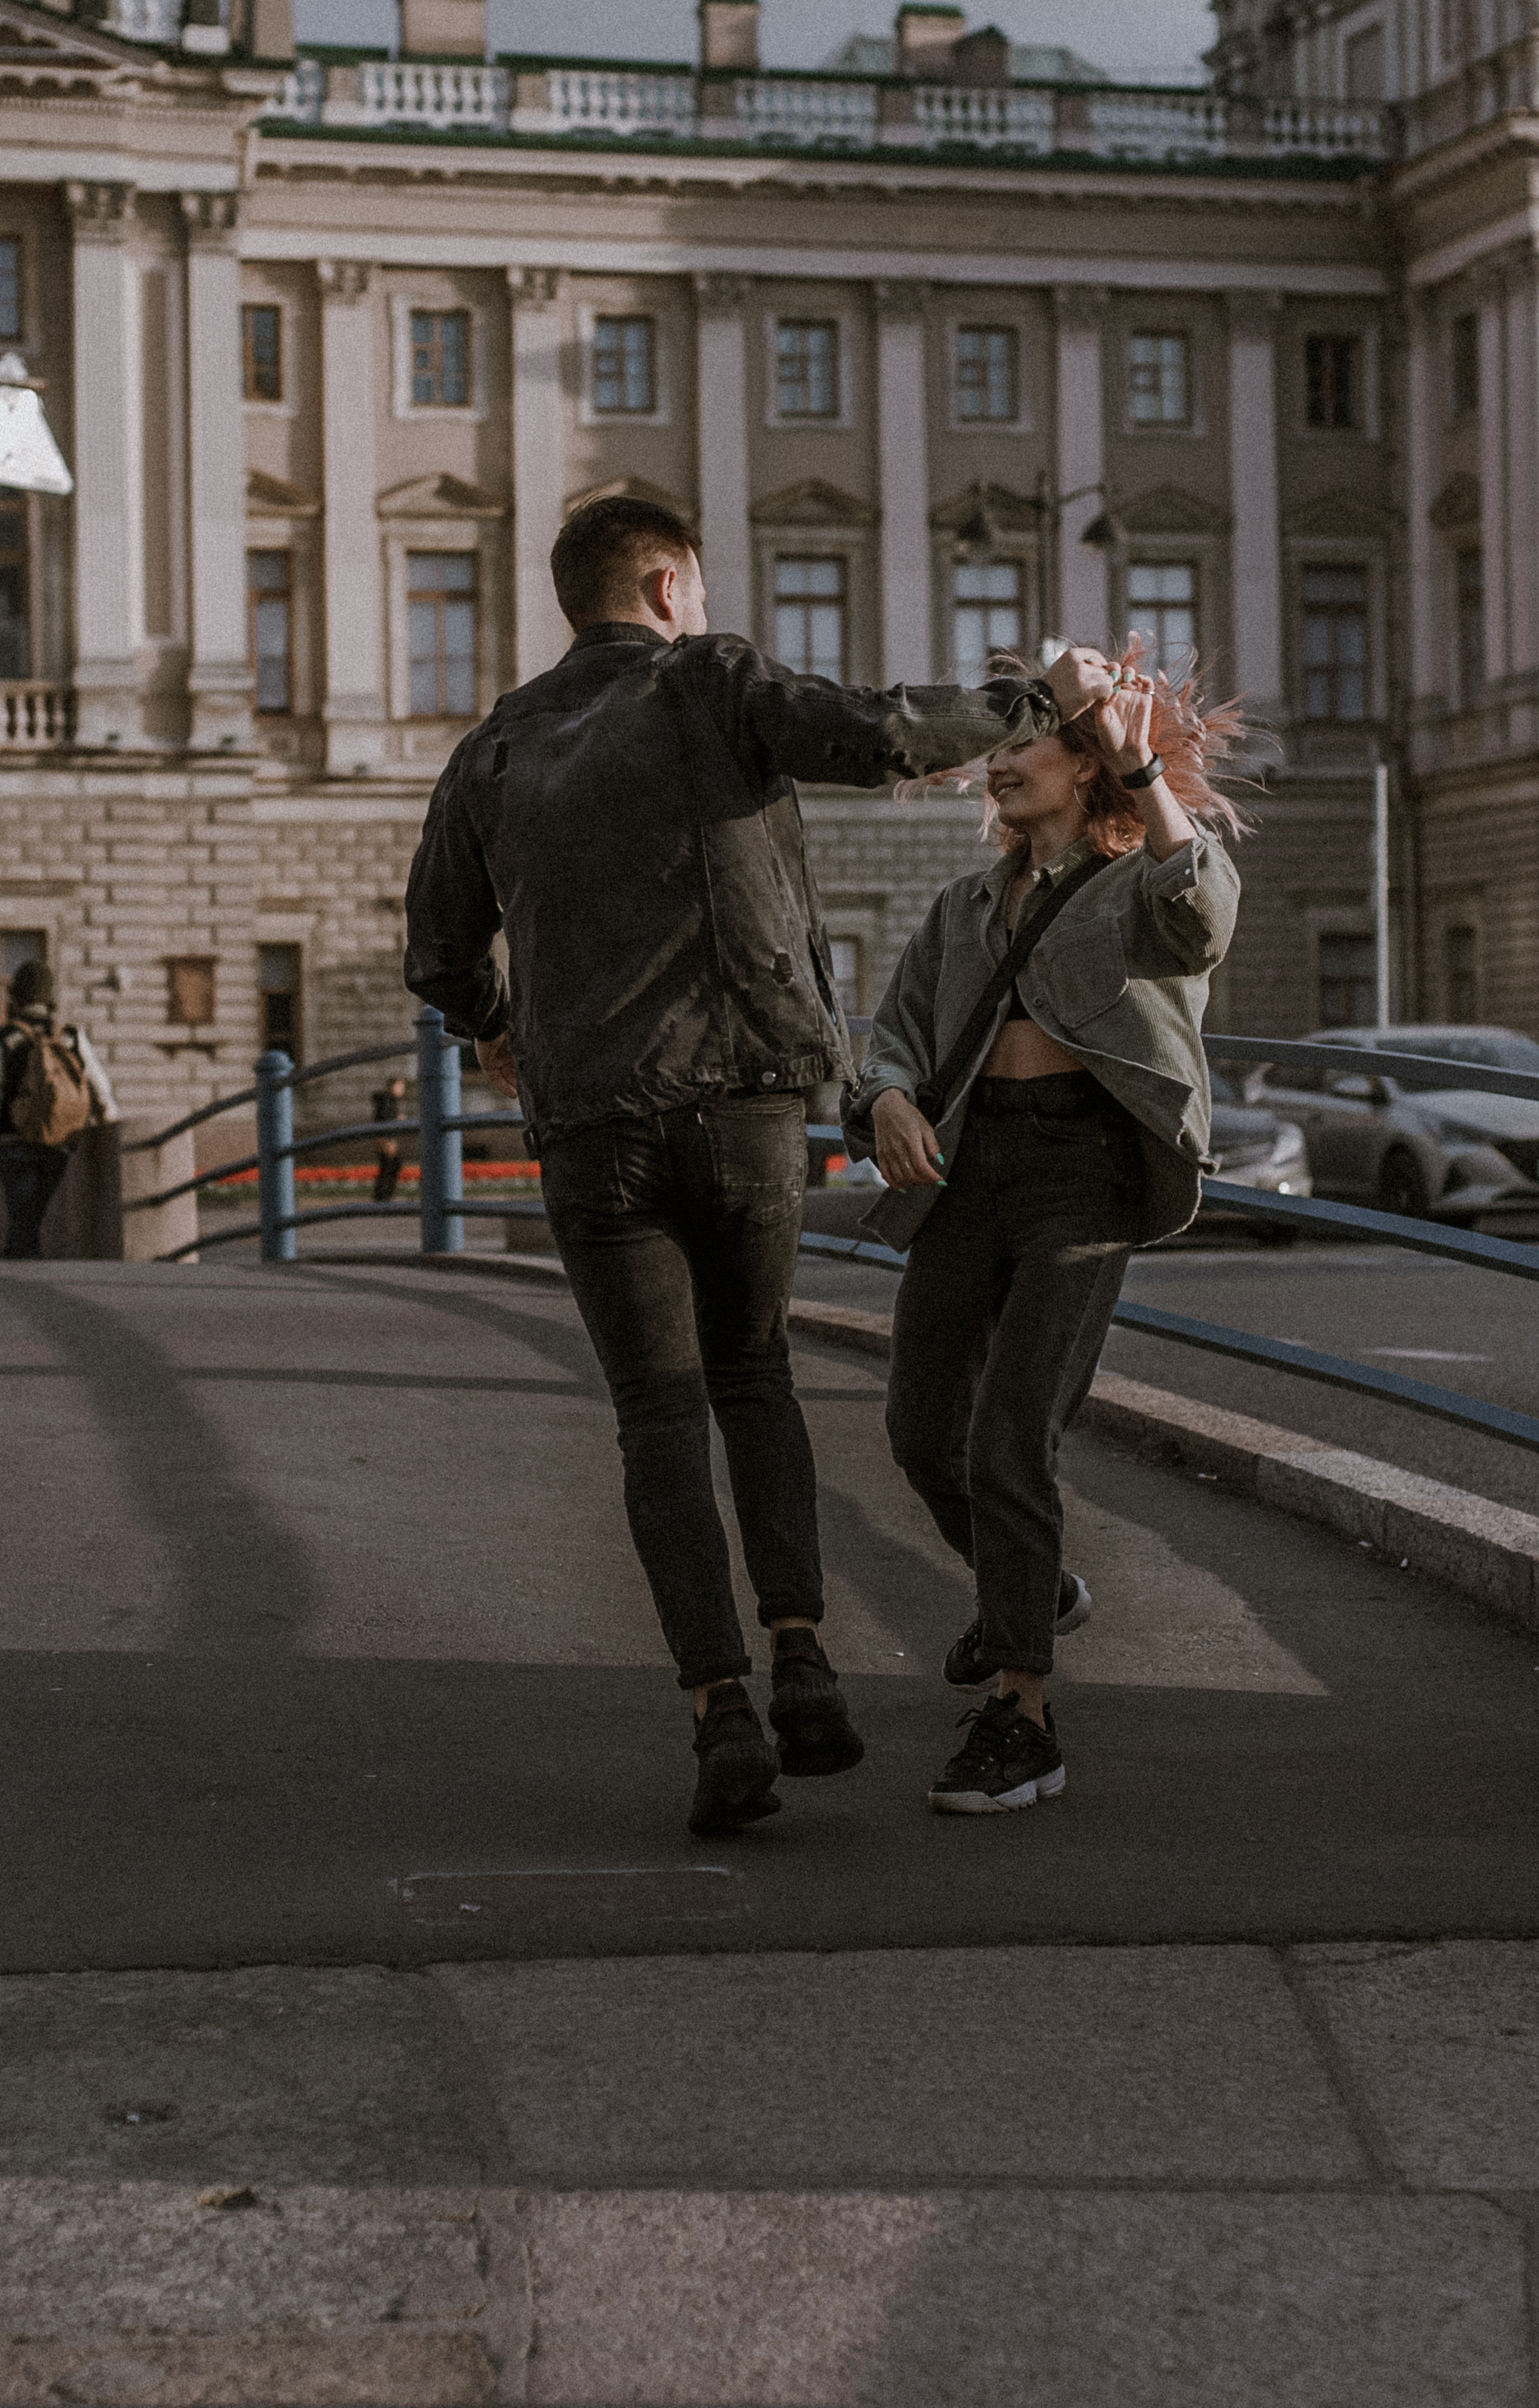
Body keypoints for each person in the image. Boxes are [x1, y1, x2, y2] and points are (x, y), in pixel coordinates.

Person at [403, 492, 1118, 1837]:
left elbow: (438, 951)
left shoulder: (493, 744)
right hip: (740, 1102)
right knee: (754, 1375)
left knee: (657, 1414)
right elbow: (882, 735)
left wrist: (502, 1028)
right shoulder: (713, 680)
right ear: (672, 584)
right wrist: (1026, 698)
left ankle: (717, 1710)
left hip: (589, 1129)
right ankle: (803, 1652)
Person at [843, 648, 1247, 1818]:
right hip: (969, 1174)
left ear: (1084, 766)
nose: (1001, 762)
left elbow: (1207, 916)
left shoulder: (1138, 885)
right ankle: (1037, 1590)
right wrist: (884, 1098)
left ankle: (1023, 1716)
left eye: (1027, 741)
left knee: (1011, 1437)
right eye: (997, 747)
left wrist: (1138, 758)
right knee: (923, 1433)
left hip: (1084, 1170)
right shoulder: (965, 905)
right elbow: (896, 1034)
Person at [0, 958, 117, 1260]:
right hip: (60, 1141)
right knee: (32, 1215)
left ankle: (23, 1273)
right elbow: (98, 1084)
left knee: (23, 1216)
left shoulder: (3, 1038)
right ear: (49, 997)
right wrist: (108, 1123)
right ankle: (22, 1271)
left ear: (18, 997)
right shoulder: (70, 1036)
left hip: (13, 1143)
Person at [371, 1075, 408, 1204]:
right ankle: (383, 1196)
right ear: (393, 1086)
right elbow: (384, 1118)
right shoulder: (387, 1100)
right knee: (391, 1166)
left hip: (385, 1138)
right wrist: (397, 1120)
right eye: (400, 1086)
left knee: (389, 1166)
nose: (402, 1089)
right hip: (386, 1139)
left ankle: (382, 1196)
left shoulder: (388, 1100)